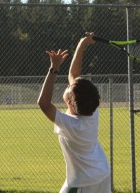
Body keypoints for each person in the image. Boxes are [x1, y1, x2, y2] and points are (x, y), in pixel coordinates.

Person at [37, 33, 111, 193]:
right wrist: (82, 44)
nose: (69, 84)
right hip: (102, 173)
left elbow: (44, 104)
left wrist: (54, 68)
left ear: (70, 102)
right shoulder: (91, 111)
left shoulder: (72, 125)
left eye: (69, 89)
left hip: (84, 181)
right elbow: (74, 75)